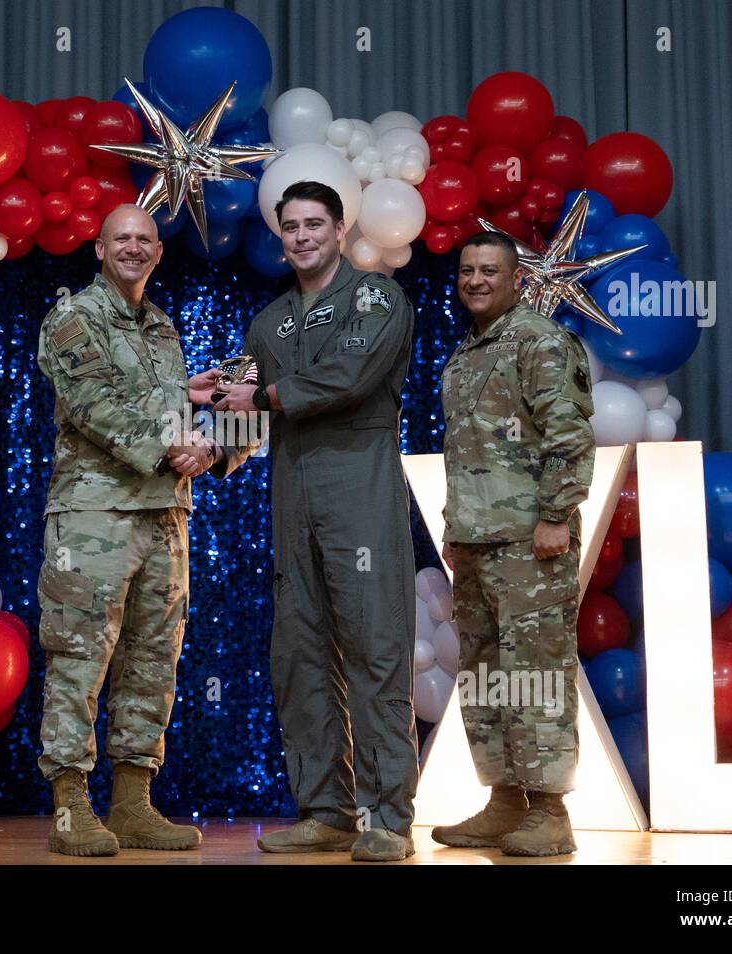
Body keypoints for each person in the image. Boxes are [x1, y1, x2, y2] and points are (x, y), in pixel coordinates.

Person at [215, 180, 420, 862]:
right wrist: (200, 446)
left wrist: (264, 395)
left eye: (313, 224)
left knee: (375, 649)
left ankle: (387, 817)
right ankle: (326, 811)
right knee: (298, 657)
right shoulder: (268, 322)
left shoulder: (375, 297)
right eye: (291, 227)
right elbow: (243, 413)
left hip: (357, 489)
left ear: (338, 231)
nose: (301, 236)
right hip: (291, 497)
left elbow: (350, 375)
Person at [34, 204, 229, 857]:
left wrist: (210, 445)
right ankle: (69, 809)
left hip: (165, 516)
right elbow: (93, 406)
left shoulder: (161, 327)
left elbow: (167, 412)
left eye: (145, 239)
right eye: (122, 238)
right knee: (79, 657)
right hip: (93, 516)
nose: (134, 247)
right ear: (99, 248)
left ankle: (133, 804)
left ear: (158, 252)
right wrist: (179, 433)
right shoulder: (72, 318)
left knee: (152, 661)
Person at [430, 231, 595, 857]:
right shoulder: (468, 353)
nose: (476, 279)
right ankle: (504, 803)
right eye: (468, 269)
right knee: (487, 678)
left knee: (536, 676)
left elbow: (570, 435)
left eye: (489, 270)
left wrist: (556, 515)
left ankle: (550, 814)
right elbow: (466, 454)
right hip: (475, 545)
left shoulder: (539, 341)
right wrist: (454, 532)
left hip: (531, 544)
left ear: (516, 277)